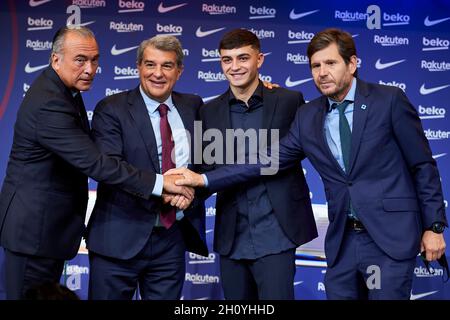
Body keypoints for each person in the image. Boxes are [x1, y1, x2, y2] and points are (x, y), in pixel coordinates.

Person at [167, 28, 447, 300]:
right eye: (315, 65)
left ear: (352, 64)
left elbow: (422, 165)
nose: (322, 72)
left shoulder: (388, 100)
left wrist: (433, 226)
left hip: (389, 237)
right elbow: (267, 160)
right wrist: (202, 180)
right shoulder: (308, 116)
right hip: (342, 240)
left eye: (330, 63)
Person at [0, 26, 192, 300]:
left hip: (45, 233)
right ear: (56, 59)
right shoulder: (49, 103)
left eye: (94, 60)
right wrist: (162, 184)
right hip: (33, 235)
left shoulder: (64, 91)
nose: (89, 68)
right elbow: (96, 163)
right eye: (80, 60)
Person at [187, 29, 317, 300]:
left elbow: (298, 151)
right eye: (227, 60)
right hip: (231, 236)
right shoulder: (208, 112)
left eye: (243, 58)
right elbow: (204, 171)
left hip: (277, 232)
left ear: (260, 59)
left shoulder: (288, 101)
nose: (234, 67)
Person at [86, 35, 208, 300]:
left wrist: (261, 90)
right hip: (117, 240)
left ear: (180, 70)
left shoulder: (193, 106)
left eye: (167, 65)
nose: (158, 73)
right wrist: (161, 186)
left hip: (171, 240)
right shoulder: (111, 109)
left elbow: (207, 162)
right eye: (150, 65)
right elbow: (108, 167)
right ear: (138, 67)